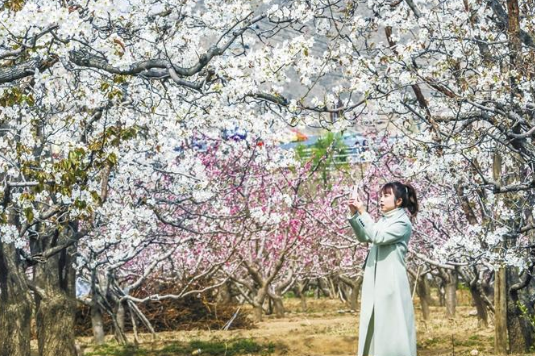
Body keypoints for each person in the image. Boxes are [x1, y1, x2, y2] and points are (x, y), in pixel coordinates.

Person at [347, 181, 419, 356]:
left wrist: (363, 212)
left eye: (386, 195)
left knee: (391, 331)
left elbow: (377, 236)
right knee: (374, 326)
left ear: (399, 201)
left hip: (390, 283)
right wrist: (355, 214)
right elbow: (365, 236)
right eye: (381, 195)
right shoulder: (385, 220)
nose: (381, 199)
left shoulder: (402, 223)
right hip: (376, 280)